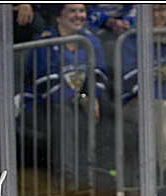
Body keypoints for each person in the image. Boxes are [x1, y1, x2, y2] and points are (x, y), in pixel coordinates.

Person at [22, 4, 111, 186]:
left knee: (104, 104)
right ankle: (66, 177)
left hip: (76, 101)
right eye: (72, 11)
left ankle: (101, 171)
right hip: (41, 105)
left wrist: (91, 96)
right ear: (58, 16)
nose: (78, 15)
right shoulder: (44, 42)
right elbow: (47, 84)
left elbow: (99, 74)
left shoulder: (91, 40)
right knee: (64, 112)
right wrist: (80, 99)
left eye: (82, 11)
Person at [120, 3, 166, 196]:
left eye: (161, 9)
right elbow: (136, 85)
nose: (156, 14)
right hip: (134, 103)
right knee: (163, 106)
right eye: (151, 9)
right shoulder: (131, 39)